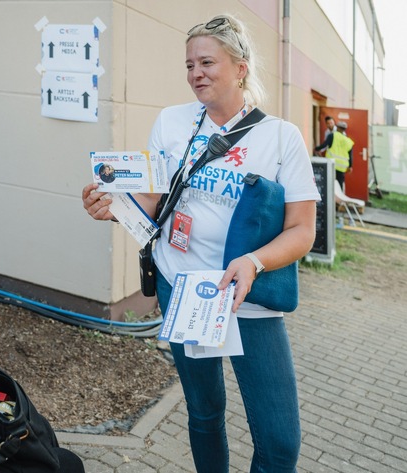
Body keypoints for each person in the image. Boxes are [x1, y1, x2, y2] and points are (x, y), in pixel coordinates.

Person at [82, 14, 319, 472]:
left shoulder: (280, 137)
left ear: (241, 67)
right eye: (189, 65)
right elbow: (156, 201)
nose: (196, 74)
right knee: (205, 412)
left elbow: (302, 230)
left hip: (245, 296)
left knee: (280, 441)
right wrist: (114, 206)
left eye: (207, 62)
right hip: (183, 287)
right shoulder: (172, 122)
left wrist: (253, 262)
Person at [315, 120, 353, 190]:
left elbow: (324, 145)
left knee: (330, 182)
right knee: (340, 183)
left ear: (337, 127)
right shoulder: (348, 141)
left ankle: (330, 197)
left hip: (331, 164)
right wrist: (350, 166)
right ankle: (338, 200)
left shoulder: (332, 135)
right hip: (342, 166)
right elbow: (350, 155)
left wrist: (316, 148)